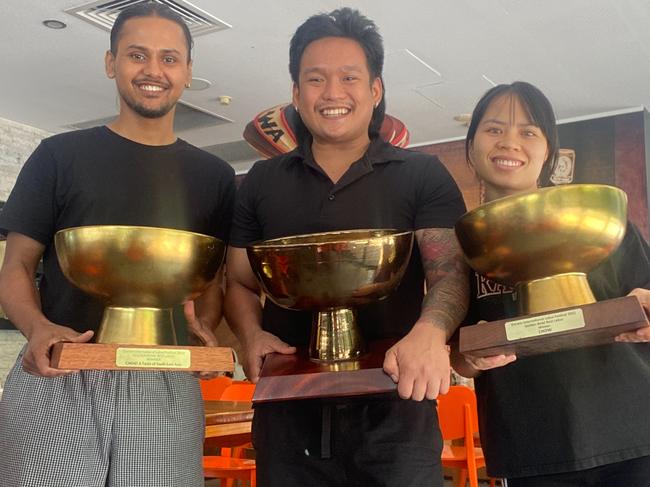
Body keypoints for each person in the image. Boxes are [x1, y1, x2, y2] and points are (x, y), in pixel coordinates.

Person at [224, 8, 468, 487]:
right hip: (287, 416)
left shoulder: (422, 175)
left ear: (375, 90)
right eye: (315, 80)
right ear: (296, 93)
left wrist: (430, 330)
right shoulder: (261, 182)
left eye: (349, 77)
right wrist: (250, 335)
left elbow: (450, 272)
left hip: (399, 410)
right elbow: (238, 279)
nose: (333, 93)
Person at [0, 3, 235, 486]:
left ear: (188, 72)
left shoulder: (215, 176)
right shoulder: (59, 156)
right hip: (59, 372)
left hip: (164, 378)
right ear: (111, 63)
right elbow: (17, 265)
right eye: (136, 55)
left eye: (170, 58)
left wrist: (204, 329)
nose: (153, 70)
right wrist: (38, 329)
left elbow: (213, 279)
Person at [451, 81, 650, 486]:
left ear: (548, 150)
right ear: (471, 146)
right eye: (493, 129)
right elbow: (457, 356)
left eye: (528, 132)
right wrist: (470, 359)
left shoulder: (594, 220)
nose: (509, 142)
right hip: (532, 446)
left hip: (635, 432)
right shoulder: (460, 247)